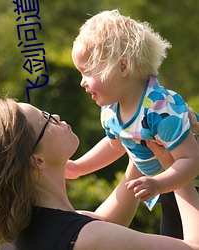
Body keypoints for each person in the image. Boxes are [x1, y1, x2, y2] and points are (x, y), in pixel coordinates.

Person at [0, 98, 199, 250]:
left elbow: (106, 221)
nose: (55, 116)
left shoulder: (21, 234)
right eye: (46, 120)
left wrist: (139, 137)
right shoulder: (87, 238)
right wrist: (175, 165)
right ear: (37, 160)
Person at [68, 9, 199, 238]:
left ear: (122, 67)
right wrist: (79, 167)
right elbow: (115, 145)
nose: (82, 82)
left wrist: (158, 184)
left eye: (87, 72)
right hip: (169, 188)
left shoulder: (160, 109)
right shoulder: (111, 110)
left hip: (188, 185)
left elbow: (191, 160)